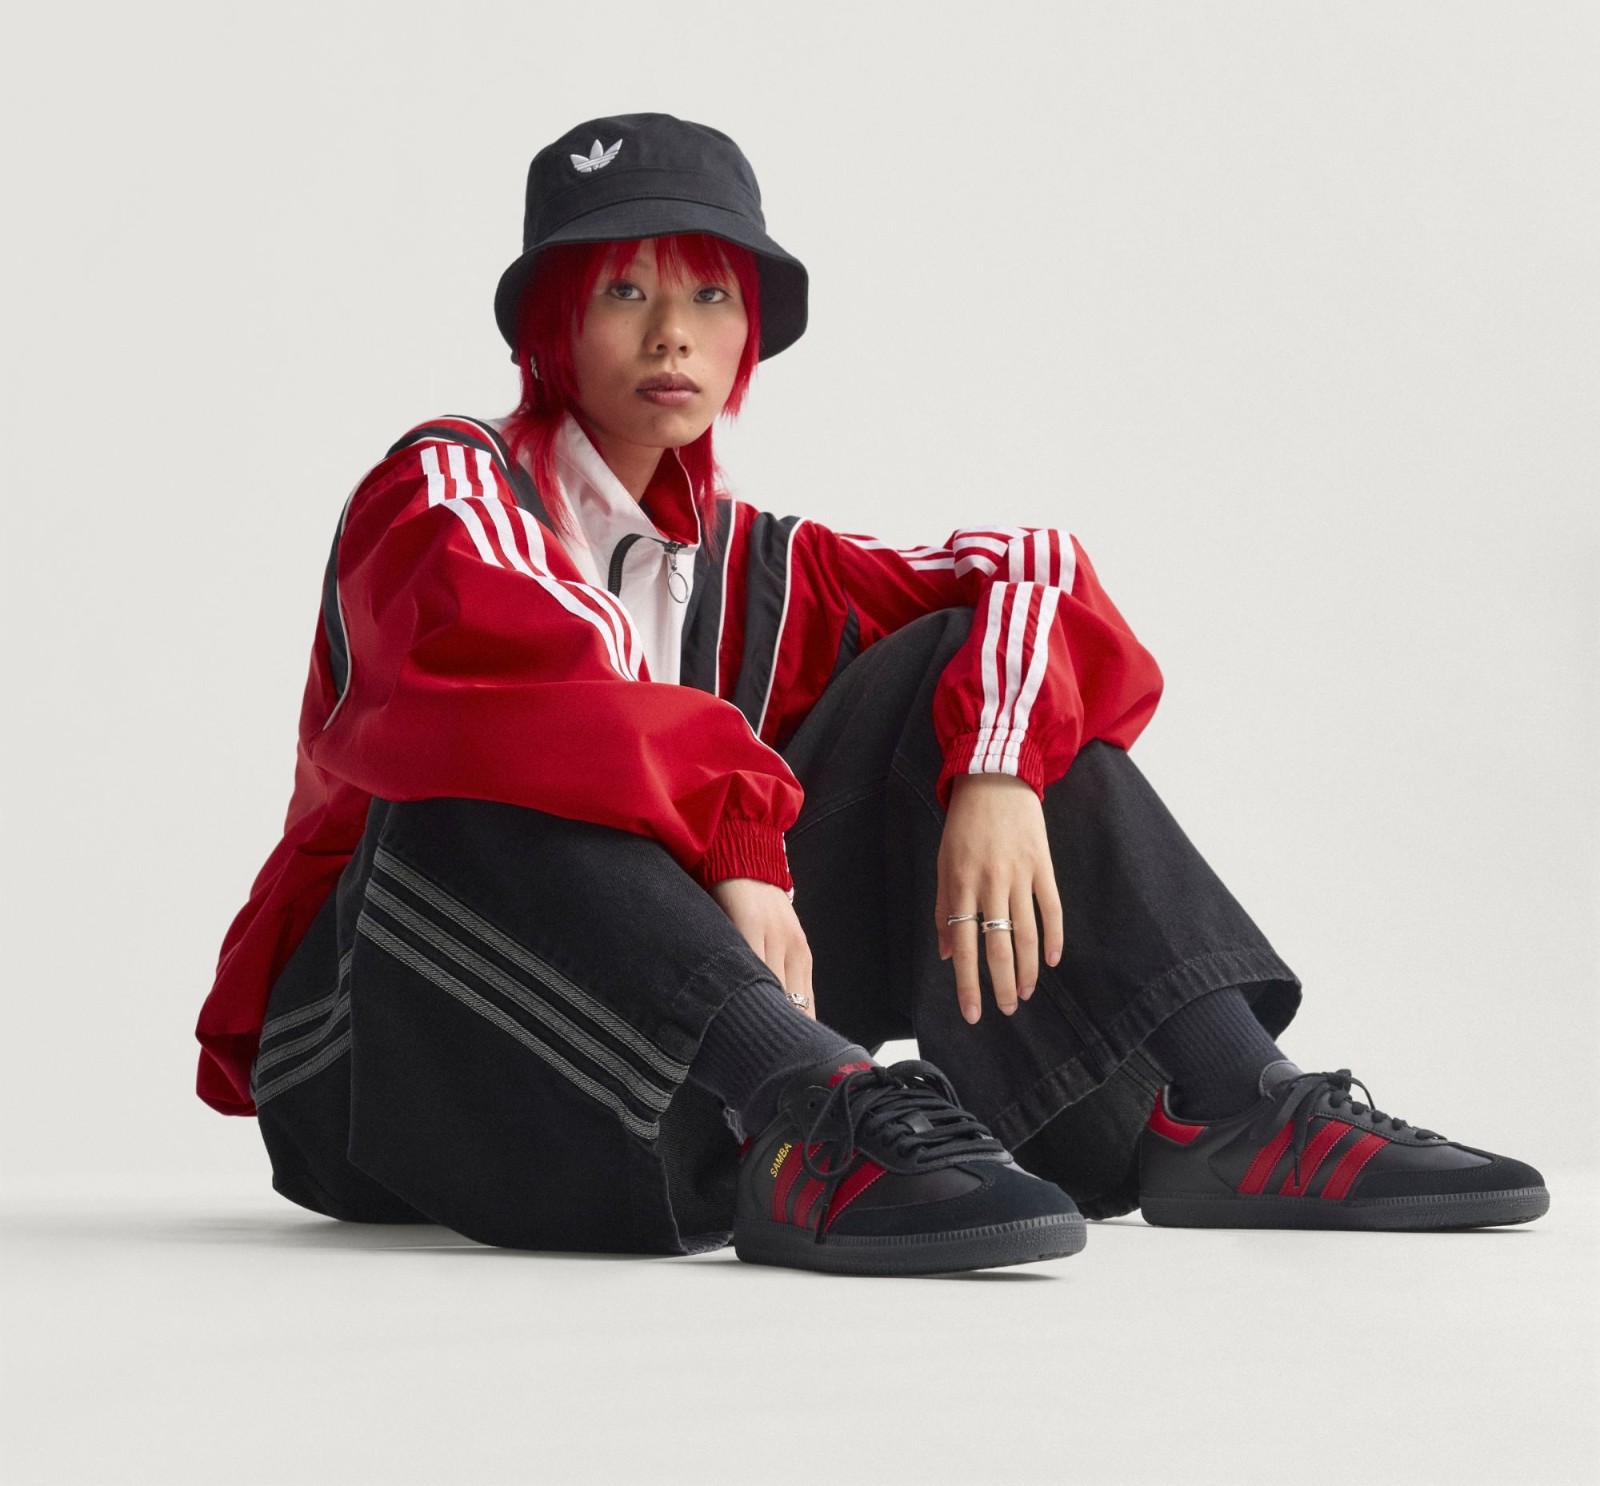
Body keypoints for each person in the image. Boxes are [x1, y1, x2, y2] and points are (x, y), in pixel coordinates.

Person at [194, 112, 1549, 1275]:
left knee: (955, 671)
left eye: (710, 296)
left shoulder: (756, 567)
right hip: (397, 1050)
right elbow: (535, 668)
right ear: (551, 325)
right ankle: (815, 1107)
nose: (672, 333)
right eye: (623, 292)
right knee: (481, 776)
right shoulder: (444, 488)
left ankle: (1227, 1102)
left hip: (669, 1065)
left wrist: (997, 764)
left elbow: (1027, 570)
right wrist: (737, 832)